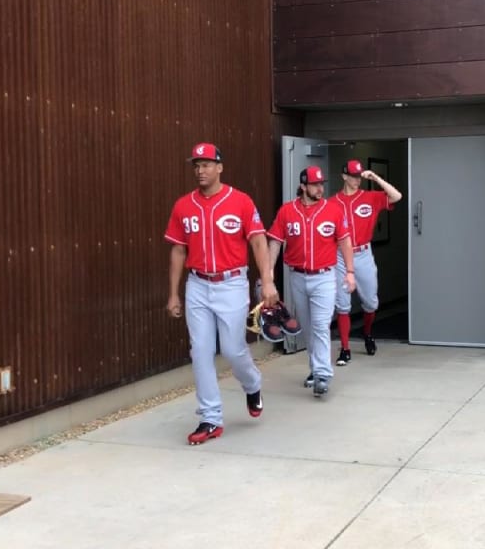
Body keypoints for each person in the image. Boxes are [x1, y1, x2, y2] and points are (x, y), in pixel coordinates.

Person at [164, 142, 278, 445]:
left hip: (231, 283)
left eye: (206, 164)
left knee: (232, 349)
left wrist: (267, 282)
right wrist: (173, 294)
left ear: (219, 167)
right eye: (196, 165)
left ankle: (252, 384)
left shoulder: (240, 201)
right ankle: (210, 418)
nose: (200, 170)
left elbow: (257, 242)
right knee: (199, 351)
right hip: (198, 284)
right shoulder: (183, 205)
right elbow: (178, 249)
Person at [267, 165, 356, 397]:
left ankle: (323, 374)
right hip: (297, 275)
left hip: (325, 276)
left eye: (321, 184)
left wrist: (349, 271)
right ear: (303, 186)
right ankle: (315, 369)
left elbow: (345, 241)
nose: (320, 188)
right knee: (307, 327)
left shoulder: (333, 210)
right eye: (315, 184)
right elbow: (275, 242)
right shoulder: (287, 211)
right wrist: (267, 274)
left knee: (320, 325)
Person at [332, 159, 403, 366]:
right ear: (344, 176)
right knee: (343, 305)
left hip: (363, 252)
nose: (356, 180)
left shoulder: (369, 197)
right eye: (353, 176)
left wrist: (375, 177)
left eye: (359, 176)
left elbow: (396, 196)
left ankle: (367, 333)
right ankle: (345, 349)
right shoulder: (332, 202)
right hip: (339, 255)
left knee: (371, 302)